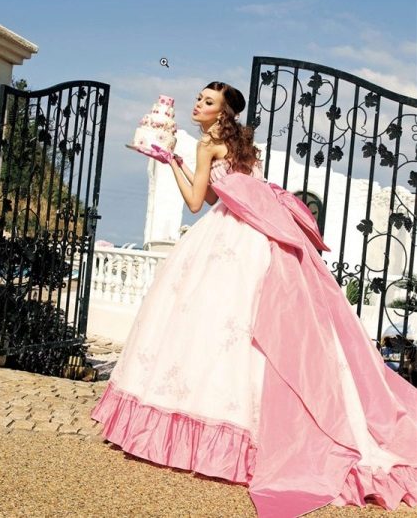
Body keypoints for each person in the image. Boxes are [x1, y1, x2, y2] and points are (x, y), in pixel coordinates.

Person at [92, 82, 417, 518]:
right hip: (254, 237)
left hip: (224, 236)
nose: (198, 105)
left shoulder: (209, 144)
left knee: (208, 326)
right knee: (245, 332)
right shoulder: (244, 145)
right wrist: (184, 162)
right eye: (200, 99)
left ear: (221, 112)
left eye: (207, 102)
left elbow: (194, 203)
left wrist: (170, 159)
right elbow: (217, 194)